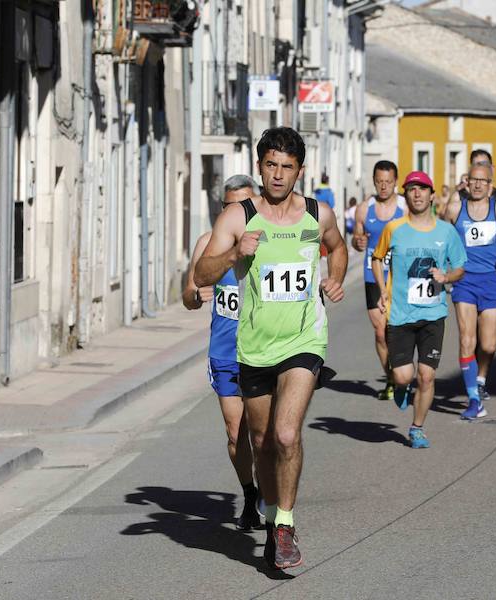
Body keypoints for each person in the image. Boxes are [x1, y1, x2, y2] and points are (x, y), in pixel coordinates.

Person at [195, 127, 347, 570]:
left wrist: (334, 276)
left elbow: (336, 249)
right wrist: (232, 255)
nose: (278, 175)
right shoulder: (238, 217)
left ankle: (284, 523)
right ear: (259, 165)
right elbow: (202, 275)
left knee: (285, 433)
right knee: (259, 440)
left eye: (287, 167)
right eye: (270, 165)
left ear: (300, 171)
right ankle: (269, 510)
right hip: (254, 346)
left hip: (304, 340)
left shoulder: (318, 213)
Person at [182, 175, 261, 531]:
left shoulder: (268, 239)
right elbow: (188, 295)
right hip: (226, 349)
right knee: (235, 432)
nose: (237, 211)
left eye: (244, 204)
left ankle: (272, 495)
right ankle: (249, 494)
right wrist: (195, 297)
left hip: (264, 348)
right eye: (231, 205)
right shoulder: (206, 244)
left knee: (266, 434)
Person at [372, 171, 467, 447]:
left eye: (422, 189)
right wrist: (382, 291)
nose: (417, 194)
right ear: (406, 195)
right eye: (412, 189)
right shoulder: (394, 229)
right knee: (404, 375)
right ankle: (401, 386)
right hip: (400, 315)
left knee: (426, 376)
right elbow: (377, 259)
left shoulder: (446, 231)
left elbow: (460, 266)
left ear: (431, 195)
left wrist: (447, 277)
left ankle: (417, 428)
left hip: (433, 315)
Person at [444, 164, 496, 419]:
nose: (477, 185)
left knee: (488, 345)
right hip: (464, 280)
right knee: (467, 339)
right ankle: (473, 399)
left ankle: (480, 377)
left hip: (492, 279)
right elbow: (441, 237)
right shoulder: (455, 210)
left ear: (490, 185)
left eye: (483, 181)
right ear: (466, 183)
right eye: (473, 180)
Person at [352, 161, 405, 401]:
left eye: (388, 182)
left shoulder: (405, 207)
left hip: (400, 274)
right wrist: (358, 242)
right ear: (374, 181)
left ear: (395, 181)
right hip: (372, 274)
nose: (384, 187)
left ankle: (402, 373)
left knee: (398, 330)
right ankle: (391, 378)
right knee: (381, 333)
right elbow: (356, 238)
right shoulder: (364, 209)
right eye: (379, 182)